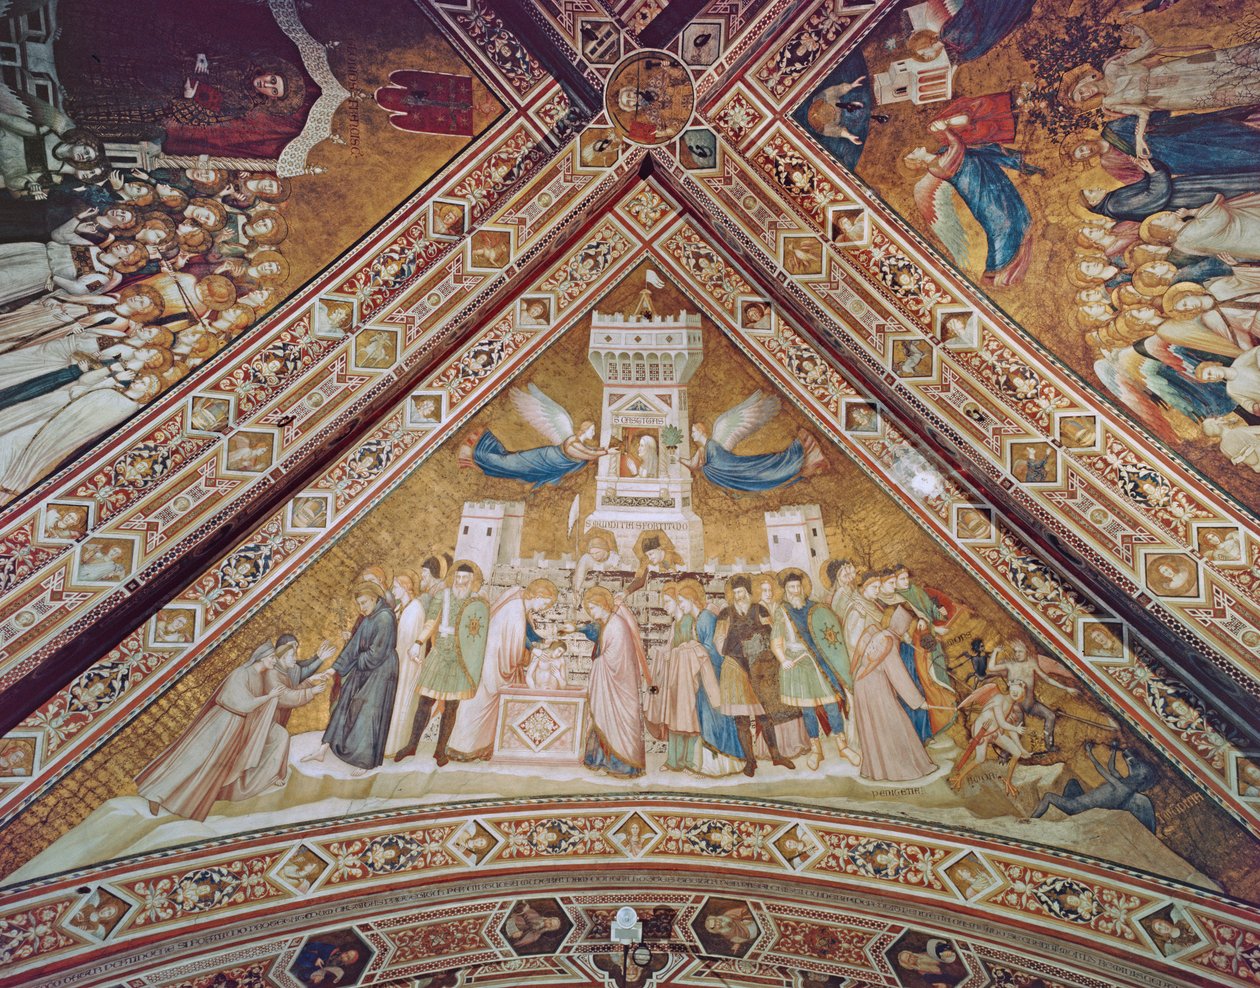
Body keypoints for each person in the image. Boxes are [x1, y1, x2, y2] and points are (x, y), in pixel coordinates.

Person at [136, 642, 328, 819]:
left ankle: (181, 800)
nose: (273, 661)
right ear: (261, 658)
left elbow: (280, 695)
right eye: (271, 658)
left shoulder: (259, 677)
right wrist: (269, 697)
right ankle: (155, 794)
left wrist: (302, 686)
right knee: (193, 759)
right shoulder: (241, 674)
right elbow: (244, 703)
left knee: (212, 766)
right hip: (221, 722)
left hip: (235, 727)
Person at [447, 578, 558, 761]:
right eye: (544, 603)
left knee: (491, 707)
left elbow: (525, 633)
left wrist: (540, 641)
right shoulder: (515, 610)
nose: (543, 608)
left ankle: (484, 748)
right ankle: (463, 748)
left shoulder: (520, 601)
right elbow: (515, 641)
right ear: (538, 595)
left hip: (496, 660)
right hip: (494, 663)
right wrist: (534, 650)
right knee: (479, 705)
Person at [392, 562, 490, 765]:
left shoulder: (476, 602)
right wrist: (418, 642)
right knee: (425, 702)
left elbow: (477, 636)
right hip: (439, 653)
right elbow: (431, 623)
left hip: (460, 659)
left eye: (465, 579)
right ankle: (412, 745)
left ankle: (440, 751)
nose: (460, 582)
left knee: (452, 706)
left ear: (472, 581)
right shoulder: (442, 596)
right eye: (458, 577)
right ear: (453, 577)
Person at [843, 572, 936, 782]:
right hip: (873, 686)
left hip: (863, 684)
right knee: (893, 722)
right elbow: (898, 675)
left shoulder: (879, 632)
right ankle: (901, 770)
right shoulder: (888, 640)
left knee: (875, 726)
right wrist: (919, 702)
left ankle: (876, 770)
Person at [302, 582, 398, 774]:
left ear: (374, 599)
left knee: (369, 711)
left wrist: (354, 663)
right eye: (359, 604)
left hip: (381, 672)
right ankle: (323, 749)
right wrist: (333, 669)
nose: (361, 608)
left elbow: (376, 654)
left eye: (364, 603)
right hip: (364, 667)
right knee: (344, 701)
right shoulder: (369, 618)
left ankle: (364, 761)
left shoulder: (385, 617)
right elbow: (354, 646)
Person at [770, 569, 859, 771]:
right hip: (797, 664)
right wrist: (783, 659)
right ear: (786, 590)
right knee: (808, 710)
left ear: (803, 588)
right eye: (791, 588)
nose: (795, 591)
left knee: (831, 704)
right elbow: (776, 640)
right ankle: (816, 750)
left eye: (798, 587)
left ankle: (842, 746)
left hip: (819, 662)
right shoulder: (782, 611)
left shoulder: (815, 608)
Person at [715, 574, 797, 772]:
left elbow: (773, 633)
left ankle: (776, 756)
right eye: (735, 593)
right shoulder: (726, 613)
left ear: (748, 592)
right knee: (741, 718)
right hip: (735, 667)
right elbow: (719, 640)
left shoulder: (759, 610)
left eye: (741, 592)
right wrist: (734, 651)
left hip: (760, 668)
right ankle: (750, 762)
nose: (738, 596)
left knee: (765, 714)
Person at [576, 586, 650, 778]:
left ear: (602, 605)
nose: (591, 612)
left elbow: (615, 658)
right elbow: (595, 633)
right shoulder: (607, 622)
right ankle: (600, 760)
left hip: (619, 685)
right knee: (603, 718)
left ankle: (620, 765)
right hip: (609, 684)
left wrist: (598, 664)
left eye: (593, 608)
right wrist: (576, 628)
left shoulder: (616, 625)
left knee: (615, 723)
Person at [989, 640, 1078, 751]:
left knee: (1051, 716)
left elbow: (1047, 678)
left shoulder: (1032, 664)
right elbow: (991, 668)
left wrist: (1066, 688)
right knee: (1018, 729)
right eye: (1015, 652)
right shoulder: (1011, 665)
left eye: (1020, 651)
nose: (1017, 654)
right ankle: (1006, 754)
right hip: (1016, 707)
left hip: (1030, 704)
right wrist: (995, 652)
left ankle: (1049, 746)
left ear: (1026, 651)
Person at [948, 680, 1030, 797]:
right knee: (980, 758)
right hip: (981, 731)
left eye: (1018, 691)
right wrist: (1016, 728)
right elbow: (1002, 723)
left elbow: (1010, 729)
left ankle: (1008, 781)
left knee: (1016, 752)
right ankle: (959, 777)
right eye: (1014, 689)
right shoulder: (999, 699)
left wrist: (1021, 748)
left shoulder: (1012, 706)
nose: (1015, 693)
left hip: (994, 731)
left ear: (1022, 693)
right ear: (1010, 688)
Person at [384, 569, 430, 757]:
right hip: (398, 664)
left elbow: (406, 642)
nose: (393, 590)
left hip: (407, 665)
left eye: (396, 587)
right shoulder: (402, 608)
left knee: (402, 702)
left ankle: (395, 746)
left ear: (405, 587)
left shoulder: (415, 610)